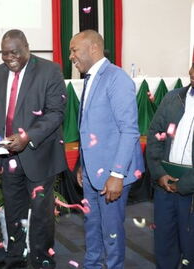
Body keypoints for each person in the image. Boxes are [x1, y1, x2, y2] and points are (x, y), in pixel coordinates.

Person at [0, 29, 67, 269]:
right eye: (5, 54)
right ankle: (15, 259)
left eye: (15, 52)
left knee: (41, 214)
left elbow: (55, 112)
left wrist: (27, 137)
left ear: (27, 47)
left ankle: (42, 260)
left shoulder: (50, 70)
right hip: (7, 156)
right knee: (13, 211)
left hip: (38, 155)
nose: (10, 58)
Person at [70, 30, 144, 269]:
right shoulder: (90, 78)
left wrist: (117, 174)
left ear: (93, 48)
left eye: (74, 50)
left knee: (111, 233)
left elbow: (129, 131)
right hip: (92, 173)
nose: (71, 56)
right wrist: (82, 164)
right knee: (92, 228)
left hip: (112, 174)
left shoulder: (116, 78)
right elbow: (90, 128)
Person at [146, 53, 194, 268]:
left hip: (190, 190)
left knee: (191, 247)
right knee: (164, 242)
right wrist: (159, 173)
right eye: (193, 66)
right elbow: (155, 133)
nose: (191, 73)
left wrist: (184, 185)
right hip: (164, 185)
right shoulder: (173, 98)